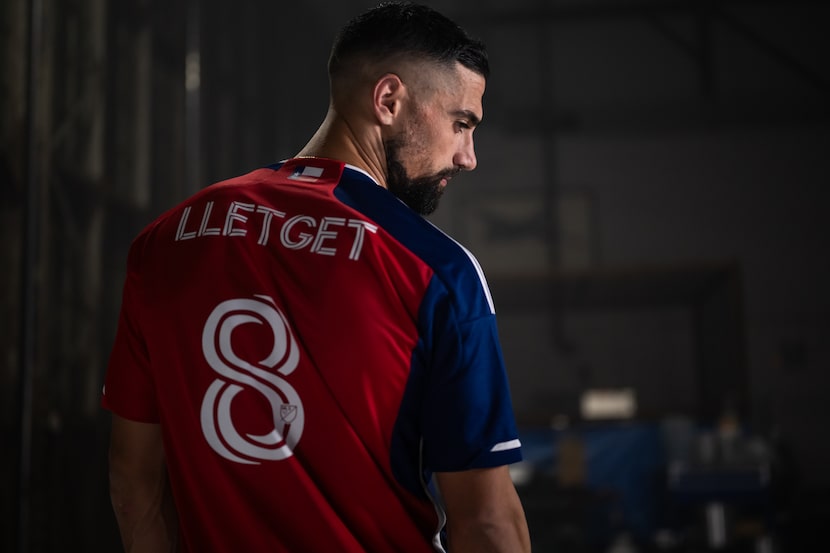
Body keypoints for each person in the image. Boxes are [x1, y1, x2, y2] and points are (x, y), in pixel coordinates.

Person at [102, 2, 531, 552]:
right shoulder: (434, 267)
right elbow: (487, 522)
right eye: (461, 123)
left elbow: (132, 480)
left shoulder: (164, 241)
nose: (467, 156)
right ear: (389, 101)